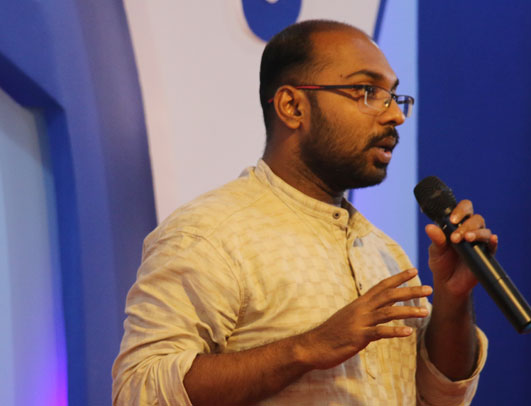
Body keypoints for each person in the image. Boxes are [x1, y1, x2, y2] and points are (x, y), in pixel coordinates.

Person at [112, 19, 494, 406]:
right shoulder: (208, 234)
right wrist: (306, 348)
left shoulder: (383, 252)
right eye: (367, 91)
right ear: (293, 106)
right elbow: (138, 391)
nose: (394, 115)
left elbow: (441, 397)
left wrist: (453, 298)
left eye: (394, 96)